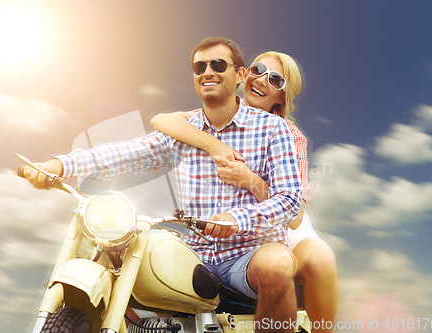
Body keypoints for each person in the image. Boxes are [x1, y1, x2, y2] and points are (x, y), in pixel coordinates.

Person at [22, 37, 302, 333]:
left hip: (248, 254)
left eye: (218, 64)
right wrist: (60, 165)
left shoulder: (274, 128)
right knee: (122, 257)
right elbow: (126, 154)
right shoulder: (183, 130)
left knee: (277, 263)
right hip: (196, 254)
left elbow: (290, 199)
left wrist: (237, 219)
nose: (207, 72)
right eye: (199, 66)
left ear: (240, 75)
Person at [151, 51, 339, 332]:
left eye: (275, 79)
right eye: (258, 69)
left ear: (281, 98)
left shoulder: (287, 133)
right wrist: (213, 145)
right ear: (244, 73)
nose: (262, 79)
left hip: (283, 228)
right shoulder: (215, 115)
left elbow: (295, 215)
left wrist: (247, 178)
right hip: (228, 228)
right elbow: (162, 120)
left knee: (321, 259)